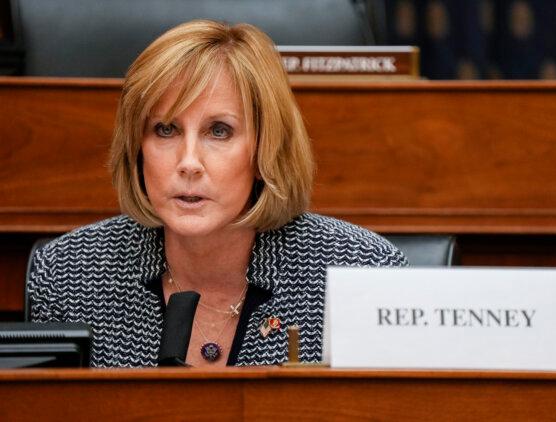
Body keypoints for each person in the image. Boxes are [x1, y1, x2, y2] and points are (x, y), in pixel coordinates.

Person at [28, 20, 408, 368]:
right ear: (136, 148)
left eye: (219, 131)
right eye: (165, 130)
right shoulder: (67, 277)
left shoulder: (360, 273)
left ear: (264, 151)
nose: (189, 162)